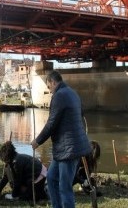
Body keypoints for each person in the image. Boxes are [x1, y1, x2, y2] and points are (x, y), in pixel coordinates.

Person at [31, 70, 92, 208]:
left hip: (68, 150)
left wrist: (37, 141)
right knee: (52, 178)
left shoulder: (59, 96)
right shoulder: (72, 93)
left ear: (53, 82)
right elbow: (78, 115)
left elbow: (51, 123)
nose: (49, 90)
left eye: (49, 87)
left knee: (65, 187)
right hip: (65, 149)